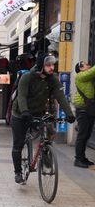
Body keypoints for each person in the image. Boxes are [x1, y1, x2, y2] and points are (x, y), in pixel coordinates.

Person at [11, 53, 75, 184]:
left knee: (49, 131)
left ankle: (45, 152)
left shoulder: (52, 79)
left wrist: (69, 114)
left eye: (53, 65)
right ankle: (18, 172)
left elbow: (60, 96)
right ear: (41, 66)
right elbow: (22, 96)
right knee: (18, 144)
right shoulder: (27, 77)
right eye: (48, 65)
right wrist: (24, 111)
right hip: (20, 113)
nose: (52, 68)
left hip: (38, 112)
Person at [73, 61, 95, 168]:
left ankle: (82, 158)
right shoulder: (81, 76)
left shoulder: (87, 77)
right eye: (86, 65)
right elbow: (93, 71)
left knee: (86, 134)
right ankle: (78, 159)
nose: (89, 65)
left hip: (88, 108)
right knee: (82, 135)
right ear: (81, 68)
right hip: (83, 108)